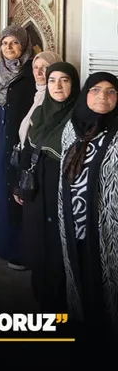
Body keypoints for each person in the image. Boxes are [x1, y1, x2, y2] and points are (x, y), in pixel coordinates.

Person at [15, 62, 79, 312]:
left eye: (64, 80)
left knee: (58, 245)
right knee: (37, 238)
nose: (57, 86)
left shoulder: (79, 117)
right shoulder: (40, 112)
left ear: (74, 84)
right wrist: (20, 185)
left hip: (62, 189)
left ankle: (60, 303)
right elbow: (28, 149)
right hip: (36, 187)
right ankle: (41, 295)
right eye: (52, 80)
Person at [58, 71, 118, 341]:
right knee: (79, 270)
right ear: (85, 94)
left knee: (106, 276)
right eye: (96, 90)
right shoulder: (72, 128)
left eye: (111, 91)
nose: (103, 96)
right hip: (74, 219)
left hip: (107, 224)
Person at [0, 25, 36, 271]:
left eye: (14, 43)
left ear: (24, 44)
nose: (8, 47)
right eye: (4, 43)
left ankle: (21, 251)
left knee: (20, 195)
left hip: (22, 143)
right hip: (2, 140)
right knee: (3, 192)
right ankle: (3, 245)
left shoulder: (33, 72)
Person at [17, 51, 63, 149]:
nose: (38, 72)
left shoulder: (57, 98)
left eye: (44, 67)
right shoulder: (38, 95)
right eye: (36, 67)